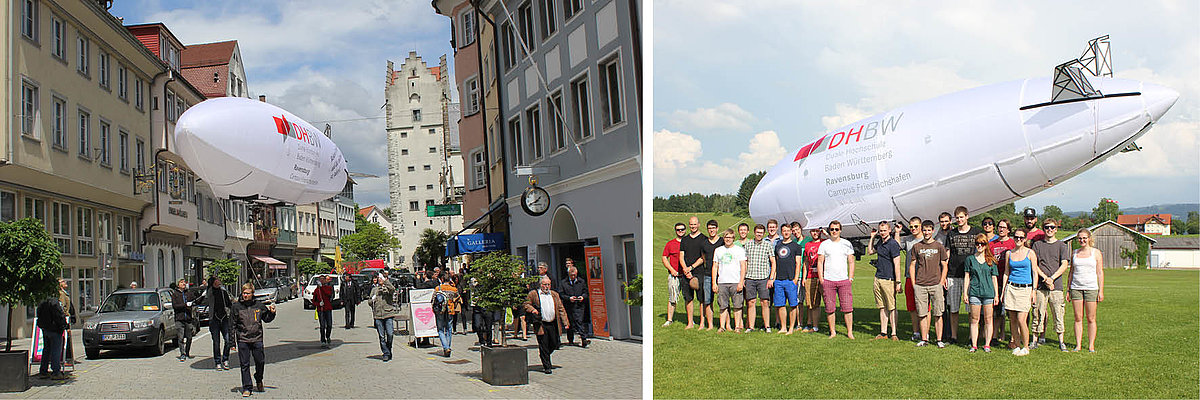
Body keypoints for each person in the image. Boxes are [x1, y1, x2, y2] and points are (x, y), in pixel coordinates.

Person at [1030, 219, 1070, 351]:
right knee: (1038, 313)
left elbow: (1064, 264)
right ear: (1043, 228)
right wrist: (1045, 278)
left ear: (1056, 229)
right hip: (1041, 286)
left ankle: (1061, 341)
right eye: (1047, 227)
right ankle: (1035, 340)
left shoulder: (1061, 245)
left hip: (1056, 286)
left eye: (1052, 227)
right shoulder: (1037, 245)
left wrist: (1052, 278)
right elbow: (1034, 265)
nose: (1050, 229)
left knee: (1058, 313)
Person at [944, 206, 981, 345]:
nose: (959, 220)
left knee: (971, 310)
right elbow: (947, 255)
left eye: (961, 217)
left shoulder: (976, 232)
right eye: (957, 217)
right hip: (953, 275)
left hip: (971, 276)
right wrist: (945, 276)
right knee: (953, 308)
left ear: (967, 216)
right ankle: (953, 337)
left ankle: (972, 338)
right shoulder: (951, 234)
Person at [231, 283, 276, 397]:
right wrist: (232, 342)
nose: (245, 295)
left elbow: (266, 319)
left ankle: (259, 378)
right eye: (244, 293)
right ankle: (247, 387)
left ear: (252, 294)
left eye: (247, 293)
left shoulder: (259, 305)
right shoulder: (236, 307)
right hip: (243, 339)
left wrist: (272, 312)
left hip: (257, 338)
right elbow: (232, 325)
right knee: (244, 364)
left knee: (260, 362)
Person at [909, 220, 949, 348]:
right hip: (920, 284)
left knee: (938, 313)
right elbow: (912, 265)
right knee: (922, 313)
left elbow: (944, 265)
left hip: (935, 283)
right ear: (922, 230)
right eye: (924, 230)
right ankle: (924, 339)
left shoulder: (939, 246)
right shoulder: (917, 247)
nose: (926, 232)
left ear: (933, 231)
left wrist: (942, 281)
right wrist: (914, 283)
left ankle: (938, 340)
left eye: (929, 230)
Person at [1001, 228, 1039, 356]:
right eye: (1016, 237)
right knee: (1012, 319)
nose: (1018, 240)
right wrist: (1003, 290)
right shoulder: (1009, 253)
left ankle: (1026, 346)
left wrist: (1034, 290)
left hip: (1025, 288)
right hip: (1011, 287)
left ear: (1025, 239)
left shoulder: (1030, 253)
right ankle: (1016, 345)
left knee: (1021, 319)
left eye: (1021, 238)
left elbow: (1035, 272)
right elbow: (1007, 272)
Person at [817, 220, 856, 339]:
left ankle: (849, 332)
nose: (834, 231)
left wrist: (850, 277)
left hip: (844, 280)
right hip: (828, 280)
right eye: (832, 229)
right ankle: (832, 332)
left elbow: (851, 261)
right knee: (829, 308)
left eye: (836, 229)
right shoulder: (824, 244)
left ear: (840, 230)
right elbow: (820, 262)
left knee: (847, 308)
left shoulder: (846, 243)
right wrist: (821, 279)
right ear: (829, 230)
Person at [1068, 228, 1105, 352]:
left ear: (1089, 239)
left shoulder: (1096, 253)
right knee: (1078, 317)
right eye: (1080, 238)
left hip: (1091, 288)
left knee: (1091, 318)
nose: (1082, 240)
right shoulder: (1074, 253)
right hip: (1076, 288)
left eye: (1084, 238)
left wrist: (1101, 291)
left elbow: (1100, 272)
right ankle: (1078, 345)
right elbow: (1071, 272)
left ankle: (1091, 345)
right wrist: (1068, 290)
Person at [524, 276, 569, 374]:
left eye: (548, 284)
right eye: (545, 284)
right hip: (541, 324)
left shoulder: (554, 294)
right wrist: (533, 310)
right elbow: (526, 304)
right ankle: (547, 365)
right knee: (543, 344)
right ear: (540, 285)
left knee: (554, 343)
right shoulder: (534, 294)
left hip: (552, 323)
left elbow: (561, 309)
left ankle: (545, 355)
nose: (547, 286)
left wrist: (565, 322)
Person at [963, 233, 999, 353]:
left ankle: (987, 345)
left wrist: (996, 295)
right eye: (977, 243)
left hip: (988, 293)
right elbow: (967, 277)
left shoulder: (991, 260)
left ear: (986, 245)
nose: (980, 246)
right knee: (974, 319)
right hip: (974, 292)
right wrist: (965, 293)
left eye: (982, 244)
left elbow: (994, 278)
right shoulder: (970, 259)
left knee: (989, 319)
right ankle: (974, 344)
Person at [867, 221, 902, 340]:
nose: (882, 233)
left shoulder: (893, 244)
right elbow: (870, 251)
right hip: (878, 278)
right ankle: (883, 332)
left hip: (889, 279)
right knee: (882, 307)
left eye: (884, 230)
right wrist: (872, 237)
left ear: (889, 230)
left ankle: (894, 333)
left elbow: (897, 264)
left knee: (891, 307)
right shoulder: (880, 243)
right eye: (880, 231)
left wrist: (898, 282)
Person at [987, 219, 1016, 347]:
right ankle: (994, 336)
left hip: (1009, 280)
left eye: (1004, 227)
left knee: (1011, 311)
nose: (1001, 229)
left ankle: (1014, 337)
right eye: (999, 227)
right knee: (996, 311)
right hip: (995, 279)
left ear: (1008, 230)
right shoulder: (992, 243)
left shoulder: (1013, 243)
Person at [195, 276, 234, 370]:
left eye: (218, 280)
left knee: (228, 340)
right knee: (216, 342)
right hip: (214, 320)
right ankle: (217, 361)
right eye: (216, 280)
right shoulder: (210, 292)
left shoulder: (223, 292)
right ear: (213, 282)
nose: (219, 281)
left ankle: (225, 359)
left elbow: (229, 304)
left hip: (224, 318)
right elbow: (199, 301)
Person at [713, 229, 747, 333]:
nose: (728, 239)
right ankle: (722, 326)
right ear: (724, 238)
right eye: (726, 237)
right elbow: (715, 266)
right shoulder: (718, 250)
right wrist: (714, 282)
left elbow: (743, 266)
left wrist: (741, 281)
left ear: (733, 238)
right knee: (723, 305)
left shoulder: (739, 250)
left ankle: (737, 326)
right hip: (722, 281)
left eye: (730, 237)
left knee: (737, 305)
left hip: (735, 281)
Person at [678, 216, 708, 329]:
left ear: (699, 224)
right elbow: (682, 256)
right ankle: (690, 322)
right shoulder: (685, 240)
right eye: (691, 224)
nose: (693, 226)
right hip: (686, 273)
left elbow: (703, 257)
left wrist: (691, 267)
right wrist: (686, 270)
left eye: (694, 224)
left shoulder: (704, 239)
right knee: (688, 298)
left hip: (699, 272)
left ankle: (702, 322)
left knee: (701, 299)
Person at [771, 224, 802, 335]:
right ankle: (783, 327)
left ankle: (791, 328)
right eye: (784, 231)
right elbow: (776, 262)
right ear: (781, 232)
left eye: (788, 231)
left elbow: (798, 263)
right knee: (780, 305)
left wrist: (795, 278)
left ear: (791, 232)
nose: (786, 232)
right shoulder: (778, 245)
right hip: (779, 279)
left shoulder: (796, 246)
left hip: (790, 280)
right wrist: (773, 278)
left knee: (793, 305)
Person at [743, 224, 774, 333]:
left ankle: (767, 326)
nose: (759, 234)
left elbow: (773, 262)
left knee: (764, 302)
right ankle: (750, 327)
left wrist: (771, 278)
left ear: (763, 233)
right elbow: (745, 262)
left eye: (761, 233)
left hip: (763, 277)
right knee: (751, 302)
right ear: (754, 233)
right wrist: (743, 278)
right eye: (757, 232)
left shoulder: (768, 245)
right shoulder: (748, 245)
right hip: (750, 277)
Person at [35, 283, 70, 380]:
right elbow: (59, 316)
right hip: (54, 330)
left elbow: (39, 314)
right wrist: (64, 325)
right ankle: (56, 372)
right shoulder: (55, 302)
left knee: (46, 350)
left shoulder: (42, 302)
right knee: (56, 350)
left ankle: (43, 371)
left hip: (45, 329)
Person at [899, 216, 925, 341]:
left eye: (916, 226)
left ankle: (926, 333)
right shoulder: (908, 239)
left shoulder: (926, 239)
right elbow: (897, 247)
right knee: (912, 307)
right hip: (910, 277)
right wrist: (898, 233)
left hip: (924, 278)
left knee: (925, 307)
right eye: (911, 227)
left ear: (921, 226)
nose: (913, 229)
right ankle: (916, 332)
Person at [369, 273, 401, 361]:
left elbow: (392, 289)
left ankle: (389, 348)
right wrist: (372, 300)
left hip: (388, 314)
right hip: (378, 315)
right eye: (378, 278)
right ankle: (386, 353)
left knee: (390, 334)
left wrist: (385, 281)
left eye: (381, 278)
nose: (379, 280)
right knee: (381, 336)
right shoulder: (374, 289)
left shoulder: (388, 288)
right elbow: (369, 301)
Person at [559, 264, 590, 347]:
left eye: (574, 275)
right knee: (570, 323)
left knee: (579, 321)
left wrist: (582, 297)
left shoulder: (581, 281)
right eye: (572, 275)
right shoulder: (563, 283)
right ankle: (570, 340)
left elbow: (586, 292)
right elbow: (561, 294)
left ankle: (583, 338)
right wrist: (569, 298)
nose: (573, 276)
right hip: (568, 305)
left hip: (579, 305)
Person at [700, 220, 723, 330]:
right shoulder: (704, 243)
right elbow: (703, 257)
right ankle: (710, 325)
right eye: (709, 228)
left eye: (713, 228)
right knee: (708, 301)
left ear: (717, 229)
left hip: (722, 275)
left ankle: (725, 325)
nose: (711, 230)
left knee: (723, 301)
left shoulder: (722, 241)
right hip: (708, 274)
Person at [661, 222, 685, 327]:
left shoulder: (688, 242)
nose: (680, 231)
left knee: (688, 298)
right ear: (675, 231)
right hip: (674, 275)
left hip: (686, 275)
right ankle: (669, 319)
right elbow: (664, 257)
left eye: (682, 229)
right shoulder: (670, 244)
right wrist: (671, 269)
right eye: (678, 230)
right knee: (672, 298)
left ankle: (690, 320)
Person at [800, 227, 824, 333]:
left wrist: (825, 233)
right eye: (813, 231)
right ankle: (813, 325)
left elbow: (835, 239)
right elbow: (806, 262)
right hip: (810, 276)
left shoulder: (824, 243)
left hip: (822, 277)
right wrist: (804, 277)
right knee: (811, 303)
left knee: (826, 302)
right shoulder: (808, 245)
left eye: (817, 231)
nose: (815, 233)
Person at [433, 273, 461, 357]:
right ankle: (448, 347)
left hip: (440, 311)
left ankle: (446, 347)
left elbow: (433, 299)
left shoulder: (438, 288)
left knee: (440, 329)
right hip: (450, 310)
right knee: (449, 329)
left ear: (442, 279)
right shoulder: (453, 289)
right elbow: (458, 297)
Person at [170, 279, 194, 361]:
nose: (183, 284)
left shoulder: (188, 293)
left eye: (184, 282)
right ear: (178, 284)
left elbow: (194, 301)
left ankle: (187, 352)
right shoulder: (175, 294)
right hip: (179, 319)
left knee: (189, 337)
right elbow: (175, 306)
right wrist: (185, 305)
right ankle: (182, 354)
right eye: (181, 282)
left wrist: (202, 296)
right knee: (180, 338)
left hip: (188, 318)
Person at [313, 275, 335, 348]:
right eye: (320, 280)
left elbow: (329, 294)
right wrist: (318, 304)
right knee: (322, 326)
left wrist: (321, 288)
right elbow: (314, 301)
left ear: (325, 280)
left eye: (323, 279)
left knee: (329, 325)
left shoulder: (328, 288)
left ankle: (328, 336)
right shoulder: (317, 290)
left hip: (328, 308)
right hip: (321, 310)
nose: (322, 281)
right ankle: (323, 340)